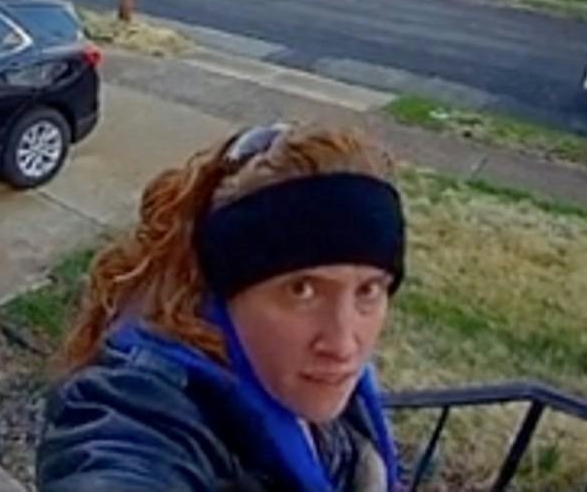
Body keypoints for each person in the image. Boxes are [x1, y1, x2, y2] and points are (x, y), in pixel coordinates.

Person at [37, 124, 407, 491]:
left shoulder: (308, 383)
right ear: (224, 289)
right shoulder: (141, 403)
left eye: (368, 290)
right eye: (302, 290)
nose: (343, 345)